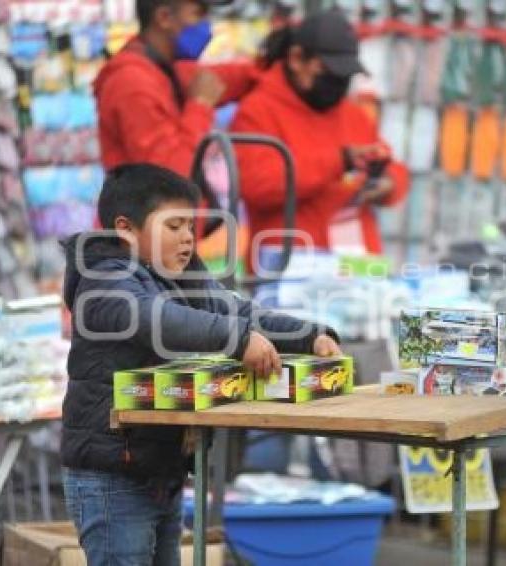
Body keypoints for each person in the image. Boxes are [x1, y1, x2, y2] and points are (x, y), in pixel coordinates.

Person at [60, 163, 341, 565]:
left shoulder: (181, 275)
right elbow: (157, 319)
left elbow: (239, 311)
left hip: (162, 473)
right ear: (125, 227)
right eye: (173, 226)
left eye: (190, 226)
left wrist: (310, 335)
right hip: (112, 477)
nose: (188, 238)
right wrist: (237, 341)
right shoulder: (103, 279)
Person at [231, 9, 410, 268]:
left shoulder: (353, 114)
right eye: (330, 73)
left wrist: (388, 183)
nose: (338, 83)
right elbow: (259, 185)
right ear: (296, 59)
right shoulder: (257, 111)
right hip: (288, 273)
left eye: (345, 76)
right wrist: (340, 161)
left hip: (356, 268)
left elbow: (392, 165)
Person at [94, 0, 257, 177]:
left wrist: (270, 62)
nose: (207, 27)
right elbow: (171, 175)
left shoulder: (163, 69)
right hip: (156, 203)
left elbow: (228, 78)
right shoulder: (132, 83)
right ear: (164, 18)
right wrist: (200, 106)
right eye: (198, 14)